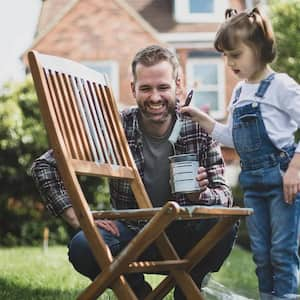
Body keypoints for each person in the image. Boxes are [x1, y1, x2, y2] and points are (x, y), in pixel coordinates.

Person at [31, 45, 237, 299]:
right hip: (131, 233)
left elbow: (225, 197)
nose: (154, 97)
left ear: (178, 85)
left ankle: (188, 289)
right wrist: (79, 218)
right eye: (146, 88)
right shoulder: (114, 127)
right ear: (133, 89)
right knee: (84, 247)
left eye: (163, 87)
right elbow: (45, 166)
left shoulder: (198, 128)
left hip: (183, 233)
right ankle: (138, 294)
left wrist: (200, 196)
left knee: (225, 223)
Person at [181, 7, 300, 300]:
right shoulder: (238, 92)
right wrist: (201, 118)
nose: (229, 62)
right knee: (261, 252)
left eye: (235, 54)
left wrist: (296, 168)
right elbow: (232, 138)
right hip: (253, 183)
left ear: (259, 48)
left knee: (282, 250)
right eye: (225, 55)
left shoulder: (281, 86)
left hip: (282, 180)